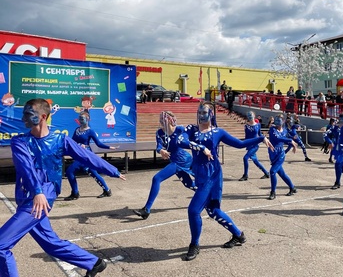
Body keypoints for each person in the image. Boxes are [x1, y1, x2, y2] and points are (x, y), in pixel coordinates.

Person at [0, 98, 126, 277]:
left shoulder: (60, 140)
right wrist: (36, 191)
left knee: (1, 245)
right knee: (50, 243)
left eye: (29, 114)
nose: (24, 118)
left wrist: (112, 170)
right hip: (28, 197)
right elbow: (26, 168)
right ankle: (94, 262)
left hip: (42, 197)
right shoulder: (19, 142)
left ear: (43, 116)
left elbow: (86, 156)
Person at [178, 101, 273, 261]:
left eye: (204, 112)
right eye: (199, 112)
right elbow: (180, 141)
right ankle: (238, 235)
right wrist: (201, 148)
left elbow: (240, 144)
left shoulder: (218, 132)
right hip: (199, 174)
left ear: (211, 114)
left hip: (212, 175)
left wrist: (260, 138)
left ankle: (194, 245)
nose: (201, 115)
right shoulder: (191, 130)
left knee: (193, 210)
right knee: (214, 211)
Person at [133, 111, 196, 220]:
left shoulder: (180, 129)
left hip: (182, 159)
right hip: (174, 160)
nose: (162, 121)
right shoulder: (159, 133)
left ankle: (146, 209)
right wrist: (161, 150)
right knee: (188, 184)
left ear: (171, 120)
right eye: (161, 119)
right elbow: (159, 146)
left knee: (157, 178)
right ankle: (207, 195)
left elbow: (192, 137)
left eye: (164, 119)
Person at [64, 112, 120, 200]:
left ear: (88, 119)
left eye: (82, 118)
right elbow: (73, 142)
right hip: (79, 154)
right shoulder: (77, 130)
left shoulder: (90, 131)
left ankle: (75, 193)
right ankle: (107, 190)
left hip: (86, 155)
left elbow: (98, 144)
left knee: (69, 171)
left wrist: (110, 147)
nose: (80, 120)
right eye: (80, 118)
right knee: (93, 173)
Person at [267, 114, 298, 200]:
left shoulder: (285, 131)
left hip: (280, 154)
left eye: (279, 120)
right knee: (282, 174)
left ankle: (273, 192)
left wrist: (293, 144)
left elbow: (288, 141)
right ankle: (292, 187)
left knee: (272, 171)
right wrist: (290, 140)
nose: (277, 122)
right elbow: (278, 138)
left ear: (283, 121)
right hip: (273, 154)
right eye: (276, 120)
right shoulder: (272, 129)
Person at [239, 111, 270, 181]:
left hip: (255, 145)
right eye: (249, 115)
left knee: (245, 158)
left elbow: (260, 134)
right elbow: (246, 136)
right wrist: (245, 144)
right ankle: (266, 173)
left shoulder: (258, 125)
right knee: (255, 161)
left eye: (251, 115)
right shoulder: (246, 126)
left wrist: (265, 140)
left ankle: (245, 175)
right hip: (249, 144)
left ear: (254, 116)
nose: (250, 116)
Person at [324, 114, 343, 189]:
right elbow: (325, 134)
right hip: (339, 150)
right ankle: (337, 182)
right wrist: (330, 142)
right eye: (341, 120)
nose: (342, 122)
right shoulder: (335, 127)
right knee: (338, 165)